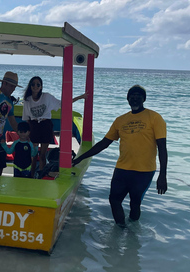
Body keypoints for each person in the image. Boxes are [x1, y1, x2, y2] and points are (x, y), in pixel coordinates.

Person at [72, 85, 168, 227]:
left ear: (144, 99)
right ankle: (120, 229)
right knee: (114, 200)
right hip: (122, 168)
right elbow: (104, 143)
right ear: (128, 99)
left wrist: (163, 175)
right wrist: (79, 158)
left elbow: (162, 148)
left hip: (144, 171)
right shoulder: (120, 120)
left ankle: (133, 232)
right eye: (132, 95)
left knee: (135, 203)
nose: (135, 98)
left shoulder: (155, 118)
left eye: (138, 95)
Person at [22, 76, 85, 176]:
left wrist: (80, 97)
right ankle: (31, 175)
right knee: (33, 155)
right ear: (30, 86)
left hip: (45, 126)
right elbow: (26, 118)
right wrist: (26, 133)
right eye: (33, 84)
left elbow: (63, 104)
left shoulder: (47, 97)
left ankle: (41, 176)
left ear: (41, 86)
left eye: (38, 84)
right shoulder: (27, 100)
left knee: (42, 156)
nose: (35, 86)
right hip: (34, 127)